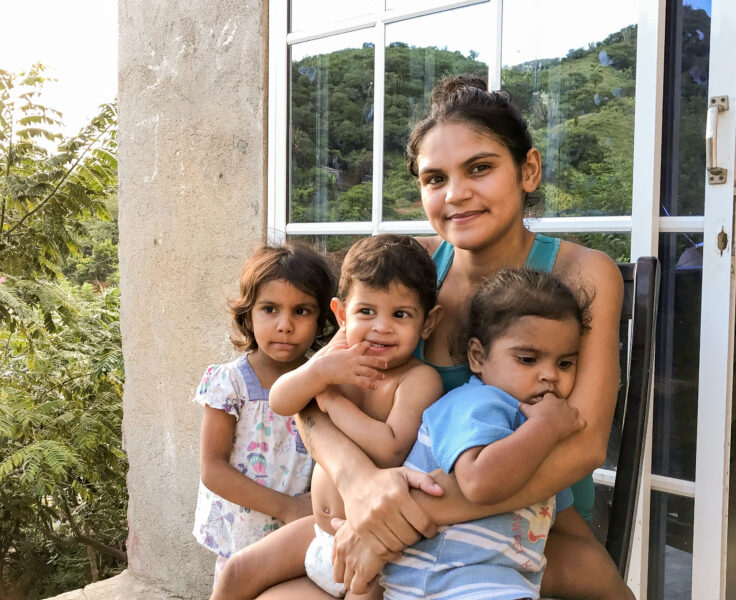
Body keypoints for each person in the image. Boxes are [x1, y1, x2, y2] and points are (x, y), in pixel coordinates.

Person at [256, 75, 625, 599]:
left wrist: (404, 512)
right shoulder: (409, 269)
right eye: (434, 179)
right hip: (383, 510)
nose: (456, 194)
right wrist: (359, 482)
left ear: (529, 170)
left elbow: (585, 444)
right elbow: (313, 395)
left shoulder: (582, 273)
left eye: (480, 167)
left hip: (526, 521)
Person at [210, 234, 444, 599]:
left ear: (427, 323)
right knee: (237, 572)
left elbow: (391, 449)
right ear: (340, 314)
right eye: (366, 312)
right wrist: (319, 374)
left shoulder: (417, 379)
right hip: (316, 532)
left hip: (368, 552)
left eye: (400, 315)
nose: (381, 327)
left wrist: (333, 402)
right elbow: (281, 400)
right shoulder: (339, 355)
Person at [381, 268, 633, 600]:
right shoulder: (476, 404)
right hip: (440, 575)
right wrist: (547, 426)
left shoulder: (537, 428)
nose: (550, 376)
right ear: (478, 356)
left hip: (492, 579)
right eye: (528, 359)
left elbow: (563, 515)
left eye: (565, 364)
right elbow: (478, 482)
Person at [192, 243, 337, 582]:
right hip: (241, 542)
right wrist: (287, 508)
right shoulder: (229, 384)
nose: (285, 325)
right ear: (248, 314)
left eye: (301, 311)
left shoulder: (325, 384)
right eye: (270, 309)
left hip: (305, 541)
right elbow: (212, 468)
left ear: (321, 320)